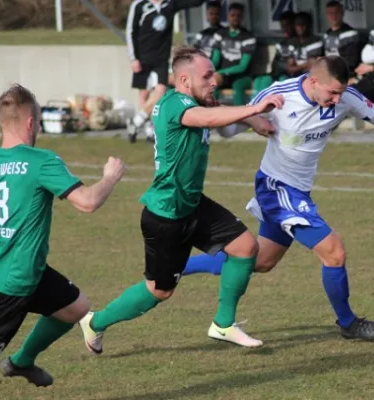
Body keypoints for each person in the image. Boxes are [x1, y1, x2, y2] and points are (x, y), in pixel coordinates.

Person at [181, 56, 374, 343]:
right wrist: (245, 116)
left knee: (260, 261)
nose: (337, 100)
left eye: (340, 93)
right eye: (331, 93)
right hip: (276, 189)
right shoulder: (280, 95)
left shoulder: (346, 96)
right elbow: (228, 130)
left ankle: (179, 266)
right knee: (334, 252)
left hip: (296, 191)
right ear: (313, 82)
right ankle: (349, 323)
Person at [78, 47, 284, 353]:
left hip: (191, 204)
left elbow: (219, 121)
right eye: (207, 75)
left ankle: (223, 324)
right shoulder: (176, 103)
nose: (214, 80)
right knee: (159, 292)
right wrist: (254, 110)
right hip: (166, 215)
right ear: (184, 79)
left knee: (245, 248)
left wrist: (250, 122)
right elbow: (209, 117)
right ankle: (95, 322)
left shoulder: (194, 100)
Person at [0, 84, 125, 389]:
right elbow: (88, 202)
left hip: (27, 271)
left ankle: (22, 362)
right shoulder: (41, 161)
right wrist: (110, 177)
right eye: (40, 121)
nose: (40, 127)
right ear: (31, 122)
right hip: (9, 284)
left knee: (76, 308)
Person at [126, 0, 205, 143]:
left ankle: (136, 121)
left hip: (161, 59)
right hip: (142, 57)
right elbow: (130, 31)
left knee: (160, 92)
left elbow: (193, 3)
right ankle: (149, 130)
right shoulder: (139, 5)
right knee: (143, 94)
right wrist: (133, 58)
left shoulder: (170, 4)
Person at [211, 3, 256, 106]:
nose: (235, 18)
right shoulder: (220, 34)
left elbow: (242, 67)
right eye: (232, 15)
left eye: (238, 16)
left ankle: (240, 118)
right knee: (212, 84)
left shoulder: (248, 37)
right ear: (227, 16)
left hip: (242, 76)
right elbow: (215, 59)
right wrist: (211, 72)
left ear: (242, 17)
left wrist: (221, 72)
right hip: (223, 75)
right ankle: (212, 116)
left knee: (237, 86)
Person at [252, 11, 296, 95]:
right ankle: (254, 106)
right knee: (261, 80)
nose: (284, 29)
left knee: (282, 81)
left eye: (287, 25)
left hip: (291, 77)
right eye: (282, 26)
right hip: (279, 74)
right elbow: (275, 64)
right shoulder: (281, 44)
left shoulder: (299, 43)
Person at [323, 0, 361, 78]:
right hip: (329, 72)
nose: (334, 16)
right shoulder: (326, 34)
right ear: (327, 15)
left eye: (337, 12)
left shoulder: (351, 34)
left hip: (345, 75)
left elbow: (351, 62)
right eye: (331, 13)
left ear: (342, 13)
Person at [285, 12, 324, 76]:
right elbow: (289, 68)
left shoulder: (316, 41)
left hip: (312, 77)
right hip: (295, 77)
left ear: (309, 25)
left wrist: (297, 67)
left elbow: (311, 66)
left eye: (303, 24)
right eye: (297, 25)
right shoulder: (292, 42)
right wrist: (304, 65)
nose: (300, 27)